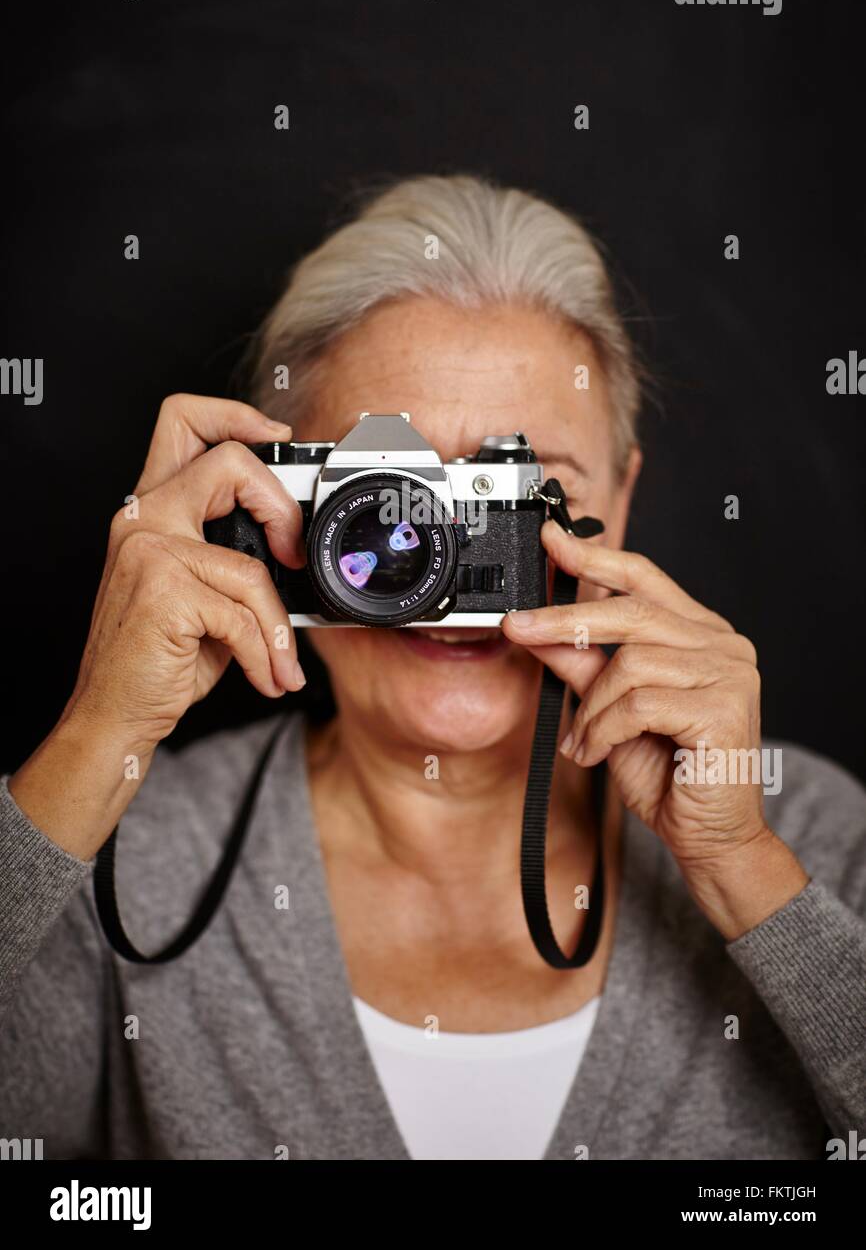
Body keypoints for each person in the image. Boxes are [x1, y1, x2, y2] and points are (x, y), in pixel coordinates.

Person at [1, 174, 864, 1161]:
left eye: (514, 496)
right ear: (269, 505)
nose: (433, 568)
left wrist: (742, 870)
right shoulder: (131, 855)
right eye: (384, 502)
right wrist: (93, 740)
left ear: (613, 510)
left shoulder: (805, 837)